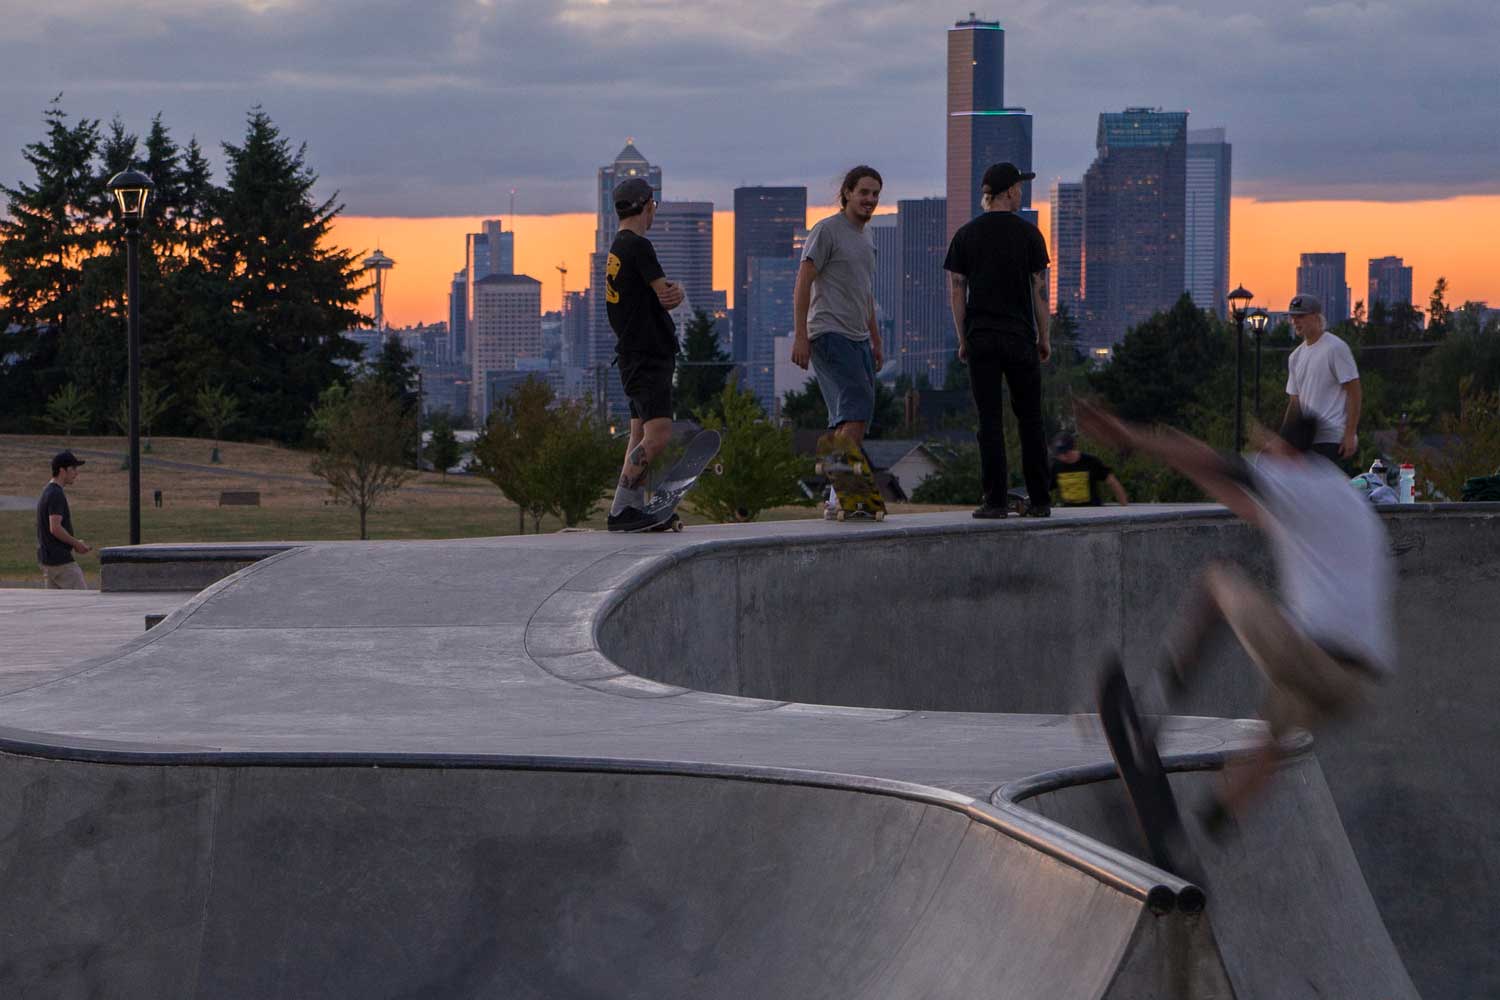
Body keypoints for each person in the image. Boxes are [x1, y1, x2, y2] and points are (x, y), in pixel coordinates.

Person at [1077, 400, 1394, 835]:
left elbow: (1215, 462)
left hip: (1308, 654)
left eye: (1269, 450)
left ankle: (1153, 709)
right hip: (1353, 683)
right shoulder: (1342, 500)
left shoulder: (1297, 479)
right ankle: (1202, 830)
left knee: (1217, 581)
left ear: (1288, 453)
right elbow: (1236, 496)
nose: (1262, 457)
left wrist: (1132, 436)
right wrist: (1173, 454)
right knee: (1266, 744)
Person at [943, 162, 1051, 519]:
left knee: (989, 420)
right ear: (1009, 192)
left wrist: (963, 338)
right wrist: (1044, 336)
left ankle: (995, 501)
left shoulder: (965, 235)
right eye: (1019, 188)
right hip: (1020, 337)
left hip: (982, 338)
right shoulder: (1030, 235)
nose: (1021, 193)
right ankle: (1039, 500)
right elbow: (1039, 291)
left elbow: (957, 294)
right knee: (1030, 419)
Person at [792, 166, 884, 511]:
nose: (870, 200)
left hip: (858, 337)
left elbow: (865, 293)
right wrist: (801, 335)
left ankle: (836, 497)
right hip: (829, 333)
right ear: (846, 193)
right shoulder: (827, 230)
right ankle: (844, 490)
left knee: (849, 418)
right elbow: (803, 282)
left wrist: (875, 339)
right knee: (857, 409)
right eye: (864, 192)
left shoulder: (866, 237)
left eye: (875, 194)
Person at [604, 177, 685, 531]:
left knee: (638, 434)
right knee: (659, 433)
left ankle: (630, 508)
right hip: (648, 355)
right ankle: (623, 509)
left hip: (632, 353)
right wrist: (677, 290)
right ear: (648, 205)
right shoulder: (638, 246)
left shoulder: (618, 247)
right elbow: (665, 294)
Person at [1283, 292, 1362, 467]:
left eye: (1301, 316)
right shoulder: (1295, 357)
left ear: (1316, 317)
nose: (1295, 321)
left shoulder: (1335, 348)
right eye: (1293, 317)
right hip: (1306, 440)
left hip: (1333, 439)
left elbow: (1354, 392)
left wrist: (1350, 434)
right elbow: (1294, 403)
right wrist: (1284, 440)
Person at [36, 450, 91, 589]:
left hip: (48, 561)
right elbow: (55, 528)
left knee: (58, 607)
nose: (76, 473)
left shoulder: (47, 491)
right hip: (61, 563)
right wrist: (76, 544)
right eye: (73, 468)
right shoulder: (56, 494)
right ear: (62, 470)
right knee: (83, 603)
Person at [1050, 432, 1129, 507]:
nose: (1063, 457)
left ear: (1073, 448)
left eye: (1066, 453)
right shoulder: (1056, 466)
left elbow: (1113, 482)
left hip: (1092, 511)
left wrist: (1124, 506)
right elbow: (1045, 487)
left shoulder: (1090, 462)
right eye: (1059, 454)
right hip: (1069, 513)